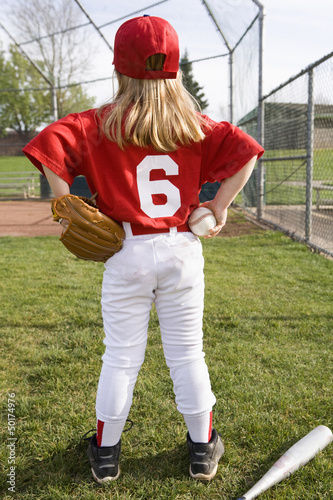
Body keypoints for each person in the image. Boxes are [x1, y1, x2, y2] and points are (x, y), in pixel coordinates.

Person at [23, 15, 264, 484]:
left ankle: (107, 455)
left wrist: (64, 203)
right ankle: (201, 450)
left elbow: (47, 148)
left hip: (125, 251)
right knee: (187, 354)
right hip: (181, 250)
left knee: (120, 356)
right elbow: (249, 152)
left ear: (120, 67)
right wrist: (218, 207)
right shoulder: (195, 125)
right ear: (173, 70)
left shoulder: (97, 123)